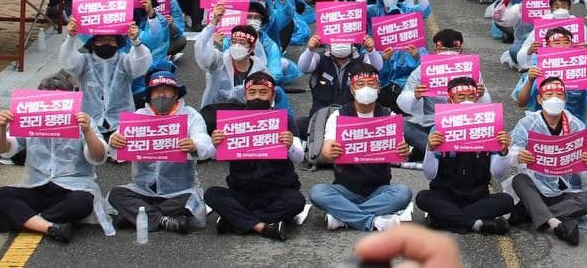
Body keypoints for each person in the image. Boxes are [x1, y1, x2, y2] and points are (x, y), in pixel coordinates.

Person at [0, 74, 112, 241]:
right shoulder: (30, 118)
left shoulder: (82, 120)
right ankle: (50, 227)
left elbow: (99, 157)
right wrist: (1, 127)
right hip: (38, 186)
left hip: (72, 188)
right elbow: (2, 149)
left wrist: (87, 131)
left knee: (82, 201)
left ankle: (25, 219)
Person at [106, 71, 214, 234]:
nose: (161, 95)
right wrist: (114, 141)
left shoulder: (190, 116)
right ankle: (163, 219)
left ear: (176, 93)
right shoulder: (139, 116)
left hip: (179, 191)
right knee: (116, 194)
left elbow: (206, 143)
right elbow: (117, 148)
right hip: (143, 189)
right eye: (157, 91)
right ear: (149, 95)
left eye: (167, 90)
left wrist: (194, 145)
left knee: (190, 201)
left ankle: (137, 216)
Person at [310, 64, 414, 231]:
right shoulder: (339, 115)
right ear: (352, 89)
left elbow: (401, 154)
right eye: (360, 84)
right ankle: (373, 221)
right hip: (345, 189)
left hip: (379, 189)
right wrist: (329, 152)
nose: (366, 88)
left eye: (371, 83)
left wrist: (404, 150)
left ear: (378, 87)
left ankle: (344, 217)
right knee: (318, 192)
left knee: (403, 193)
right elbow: (326, 150)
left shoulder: (389, 116)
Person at [506, 76, 587, 246]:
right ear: (539, 98)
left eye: (559, 94)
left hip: (562, 189)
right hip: (534, 186)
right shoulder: (528, 122)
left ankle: (537, 215)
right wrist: (518, 155)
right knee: (519, 180)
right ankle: (556, 224)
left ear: (565, 98)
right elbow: (511, 152)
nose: (554, 98)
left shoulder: (575, 124)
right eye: (549, 94)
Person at [205, 71, 305, 240]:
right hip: (242, 191)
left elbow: (299, 157)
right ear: (245, 96)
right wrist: (215, 144)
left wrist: (289, 145)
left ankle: (236, 220)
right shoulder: (232, 122)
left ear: (272, 96)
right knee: (211, 194)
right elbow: (214, 156)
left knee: (297, 201)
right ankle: (262, 226)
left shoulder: (285, 119)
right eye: (252, 92)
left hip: (278, 191)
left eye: (263, 92)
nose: (257, 97)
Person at [415, 76, 515, 235]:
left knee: (506, 201)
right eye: (461, 97)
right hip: (445, 195)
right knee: (423, 197)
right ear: (450, 101)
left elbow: (498, 172)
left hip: (478, 196)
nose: (466, 101)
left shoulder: (490, 128)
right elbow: (429, 174)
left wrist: (503, 151)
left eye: (471, 97)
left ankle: (444, 219)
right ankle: (477, 224)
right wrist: (430, 149)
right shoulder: (438, 130)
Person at [397, 29, 490, 155]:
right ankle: (434, 149)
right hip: (432, 123)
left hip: (465, 122)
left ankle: (436, 151)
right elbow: (403, 103)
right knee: (403, 124)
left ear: (461, 51)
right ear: (435, 50)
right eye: (443, 50)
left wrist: (481, 95)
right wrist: (414, 95)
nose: (448, 54)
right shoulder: (422, 70)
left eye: (454, 50)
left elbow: (486, 106)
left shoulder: (471, 69)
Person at [60, 18, 152, 134]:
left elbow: (142, 63)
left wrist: (135, 41)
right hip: (89, 125)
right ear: (93, 44)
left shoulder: (124, 61)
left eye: (111, 40)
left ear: (118, 44)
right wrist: (71, 37)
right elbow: (68, 61)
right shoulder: (84, 62)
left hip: (122, 126)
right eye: (101, 40)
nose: (106, 43)